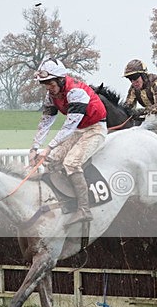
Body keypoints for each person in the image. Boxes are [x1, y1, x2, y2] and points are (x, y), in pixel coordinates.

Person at [30, 59, 108, 226]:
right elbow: (45, 122)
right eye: (45, 85)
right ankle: (62, 200)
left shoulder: (76, 92)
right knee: (51, 160)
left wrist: (48, 147)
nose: (48, 88)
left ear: (60, 79)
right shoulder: (51, 96)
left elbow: (69, 126)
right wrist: (34, 148)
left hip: (95, 129)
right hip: (79, 130)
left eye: (50, 84)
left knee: (71, 163)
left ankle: (84, 209)